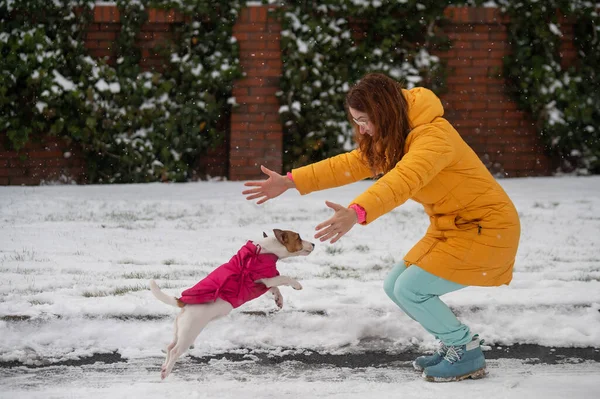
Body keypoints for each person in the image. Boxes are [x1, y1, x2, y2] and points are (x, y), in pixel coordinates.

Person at [242, 72, 521, 382]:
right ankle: (453, 343)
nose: (361, 128)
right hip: (454, 227)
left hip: (486, 228)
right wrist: (291, 181)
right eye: (356, 120)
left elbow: (402, 181)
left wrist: (357, 211)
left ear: (384, 112)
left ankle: (464, 349)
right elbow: (349, 164)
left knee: (411, 289)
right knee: (396, 286)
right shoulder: (398, 136)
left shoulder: (432, 139)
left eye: (364, 119)